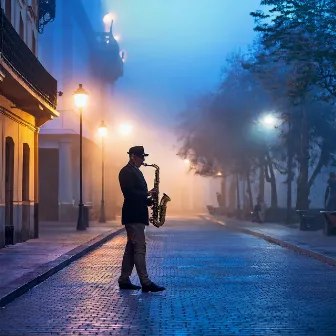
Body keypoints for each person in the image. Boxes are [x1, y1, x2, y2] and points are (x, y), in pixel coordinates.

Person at [118, 146, 165, 293]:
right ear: (133, 156)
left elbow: (137, 195)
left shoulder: (136, 171)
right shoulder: (126, 171)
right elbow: (129, 193)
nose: (143, 160)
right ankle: (145, 282)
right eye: (141, 157)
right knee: (139, 248)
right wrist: (147, 193)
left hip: (137, 213)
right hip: (133, 215)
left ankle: (124, 280)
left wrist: (149, 201)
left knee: (131, 249)